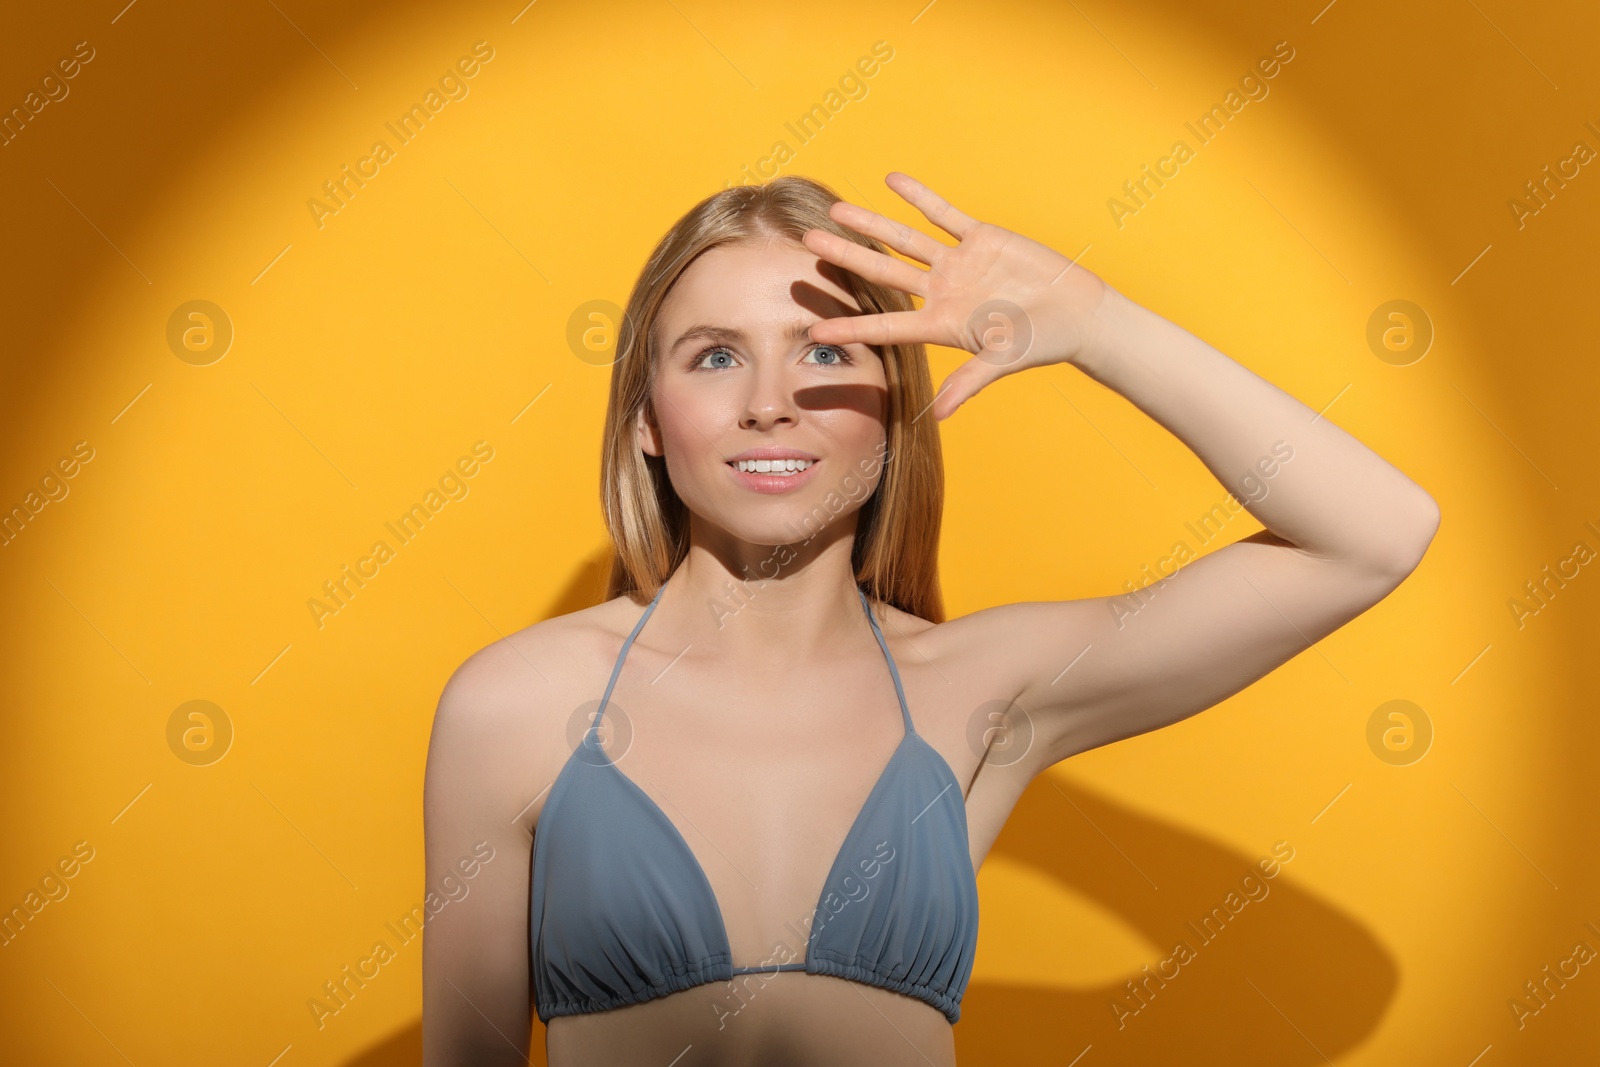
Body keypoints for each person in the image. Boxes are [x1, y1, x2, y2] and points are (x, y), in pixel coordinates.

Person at [421, 172, 1439, 1066]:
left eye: (824, 353)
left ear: (894, 402)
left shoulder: (979, 690)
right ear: (645, 415)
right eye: (716, 357)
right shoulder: (514, 704)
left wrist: (1095, 324)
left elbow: (1373, 534)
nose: (770, 401)